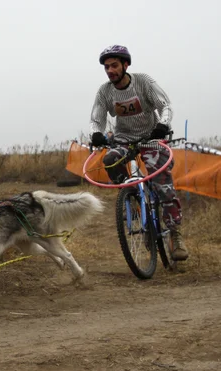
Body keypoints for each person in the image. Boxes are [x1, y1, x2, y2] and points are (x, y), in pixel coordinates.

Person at [89, 44, 188, 261]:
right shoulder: (105, 91)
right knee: (110, 159)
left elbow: (166, 106)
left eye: (114, 65)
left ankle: (175, 233)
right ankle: (135, 202)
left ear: (126, 65)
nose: (110, 70)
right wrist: (96, 133)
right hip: (124, 139)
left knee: (163, 185)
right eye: (106, 67)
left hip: (152, 138)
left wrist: (163, 124)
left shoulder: (143, 81)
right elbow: (97, 118)